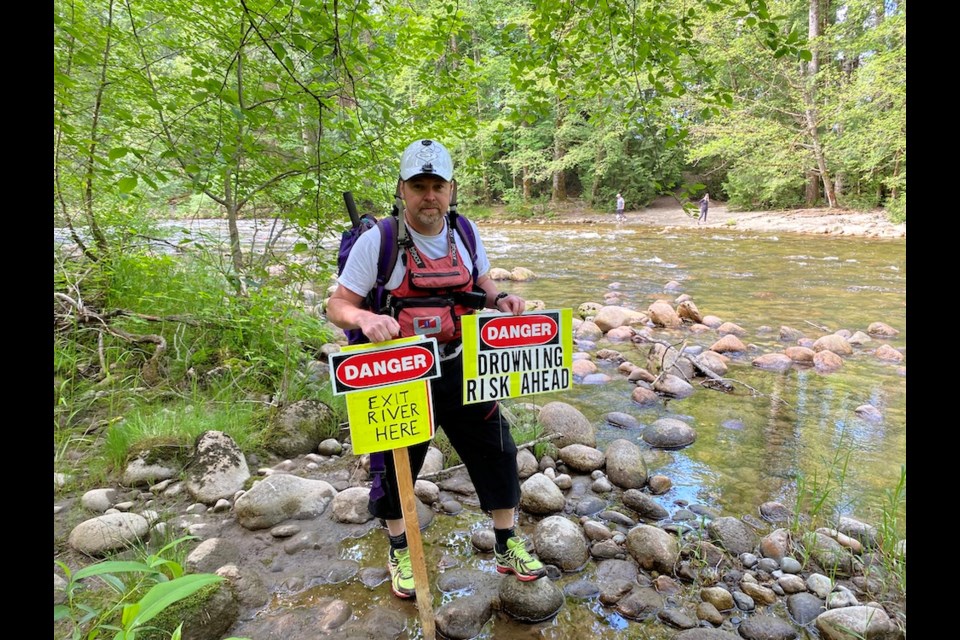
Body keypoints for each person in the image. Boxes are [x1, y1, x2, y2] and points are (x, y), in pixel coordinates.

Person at [326, 139, 546, 600]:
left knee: (498, 449)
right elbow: (338, 305)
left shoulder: (464, 232)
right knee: (395, 463)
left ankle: (506, 543)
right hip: (399, 370)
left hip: (461, 361)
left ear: (451, 189)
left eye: (437, 186)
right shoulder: (378, 241)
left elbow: (482, 282)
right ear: (402, 190)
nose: (430, 195)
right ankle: (400, 548)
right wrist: (365, 318)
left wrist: (499, 299)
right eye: (419, 185)